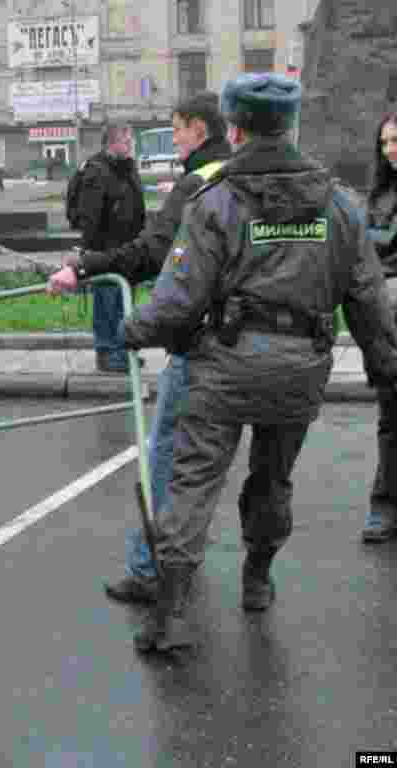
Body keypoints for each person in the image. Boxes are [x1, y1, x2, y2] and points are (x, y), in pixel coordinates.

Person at [121, 73, 397, 655]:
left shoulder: (215, 200)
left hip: (224, 367)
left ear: (237, 127)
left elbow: (179, 298)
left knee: (193, 482)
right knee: (273, 478)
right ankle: (257, 578)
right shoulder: (339, 204)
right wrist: (385, 366)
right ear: (289, 125)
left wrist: (135, 328)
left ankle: (169, 615)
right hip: (301, 371)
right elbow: (369, 299)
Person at [47, 92, 233, 603]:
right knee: (212, 463)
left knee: (168, 456)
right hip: (256, 344)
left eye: (176, 129)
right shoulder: (242, 174)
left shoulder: (199, 182)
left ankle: (152, 569)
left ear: (198, 128)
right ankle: (224, 569)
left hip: (201, 343)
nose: (172, 138)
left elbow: (153, 254)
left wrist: (83, 265)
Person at [74, 124, 147, 373]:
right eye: (126, 141)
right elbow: (90, 217)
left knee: (124, 304)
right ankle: (107, 354)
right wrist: (90, 252)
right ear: (111, 144)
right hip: (104, 250)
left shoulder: (126, 168)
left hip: (128, 249)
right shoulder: (97, 171)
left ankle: (122, 352)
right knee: (107, 303)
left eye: (131, 141)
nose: (130, 146)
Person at [362, 112, 397, 543]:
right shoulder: (381, 191)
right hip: (388, 312)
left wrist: (364, 235)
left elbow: (379, 241)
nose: (391, 149)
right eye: (386, 142)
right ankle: (384, 504)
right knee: (390, 415)